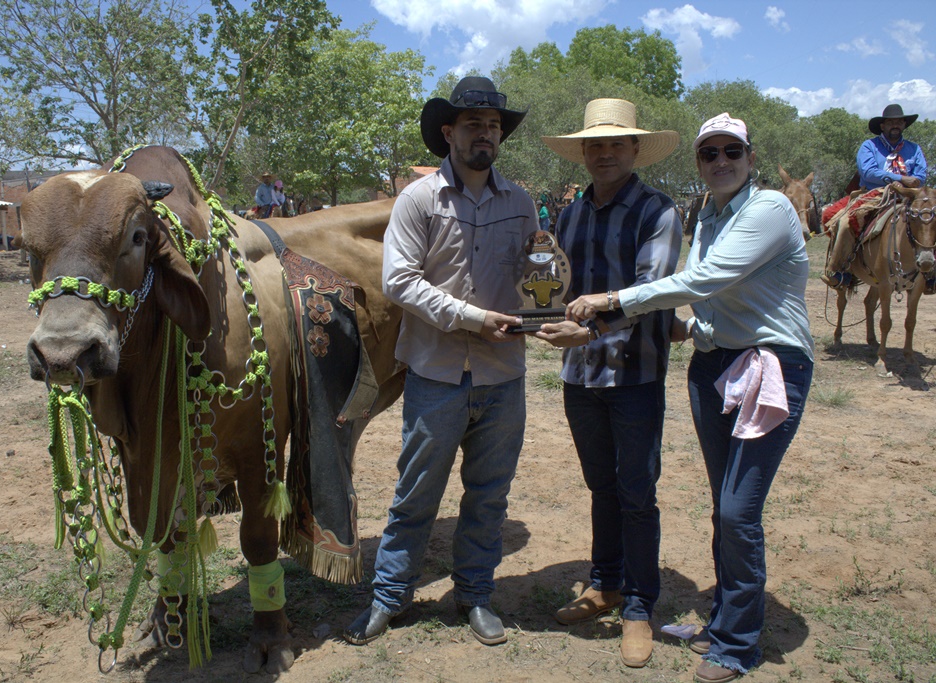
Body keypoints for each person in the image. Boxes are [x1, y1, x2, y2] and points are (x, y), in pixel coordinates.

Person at [565, 112, 813, 683]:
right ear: (698, 162)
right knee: (724, 503)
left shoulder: (770, 208)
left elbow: (704, 280)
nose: (720, 161)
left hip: (770, 365)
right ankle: (724, 619)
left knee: (737, 510)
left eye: (732, 151)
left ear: (751, 158)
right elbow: (713, 303)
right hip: (713, 364)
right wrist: (686, 329)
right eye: (709, 153)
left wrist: (611, 302)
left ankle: (736, 645)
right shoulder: (707, 215)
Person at [343, 75, 537, 648]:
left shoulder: (521, 203)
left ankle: (474, 595)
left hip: (504, 376)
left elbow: (537, 278)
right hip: (436, 374)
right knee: (415, 495)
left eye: (494, 126)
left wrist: (547, 295)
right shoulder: (419, 199)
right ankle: (390, 596)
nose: (486, 134)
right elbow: (399, 281)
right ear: (448, 132)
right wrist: (474, 318)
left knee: (489, 495)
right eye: (474, 124)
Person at [534, 98, 682, 669]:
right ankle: (606, 584)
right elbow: (555, 284)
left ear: (635, 150)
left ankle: (640, 605)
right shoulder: (569, 216)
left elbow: (653, 290)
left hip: (635, 373)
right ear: (582, 154)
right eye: (594, 145)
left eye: (616, 143)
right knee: (602, 486)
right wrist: (538, 316)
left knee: (636, 491)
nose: (604, 153)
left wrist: (589, 329)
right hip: (581, 374)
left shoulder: (657, 211)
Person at [823, 104, 928, 288]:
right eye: (891, 122)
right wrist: (900, 178)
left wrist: (911, 183)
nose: (895, 125)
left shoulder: (914, 149)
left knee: (930, 219)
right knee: (846, 222)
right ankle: (841, 270)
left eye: (899, 121)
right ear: (882, 126)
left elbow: (921, 174)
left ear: (904, 125)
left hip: (910, 195)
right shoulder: (869, 146)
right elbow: (868, 172)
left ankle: (930, 273)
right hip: (876, 194)